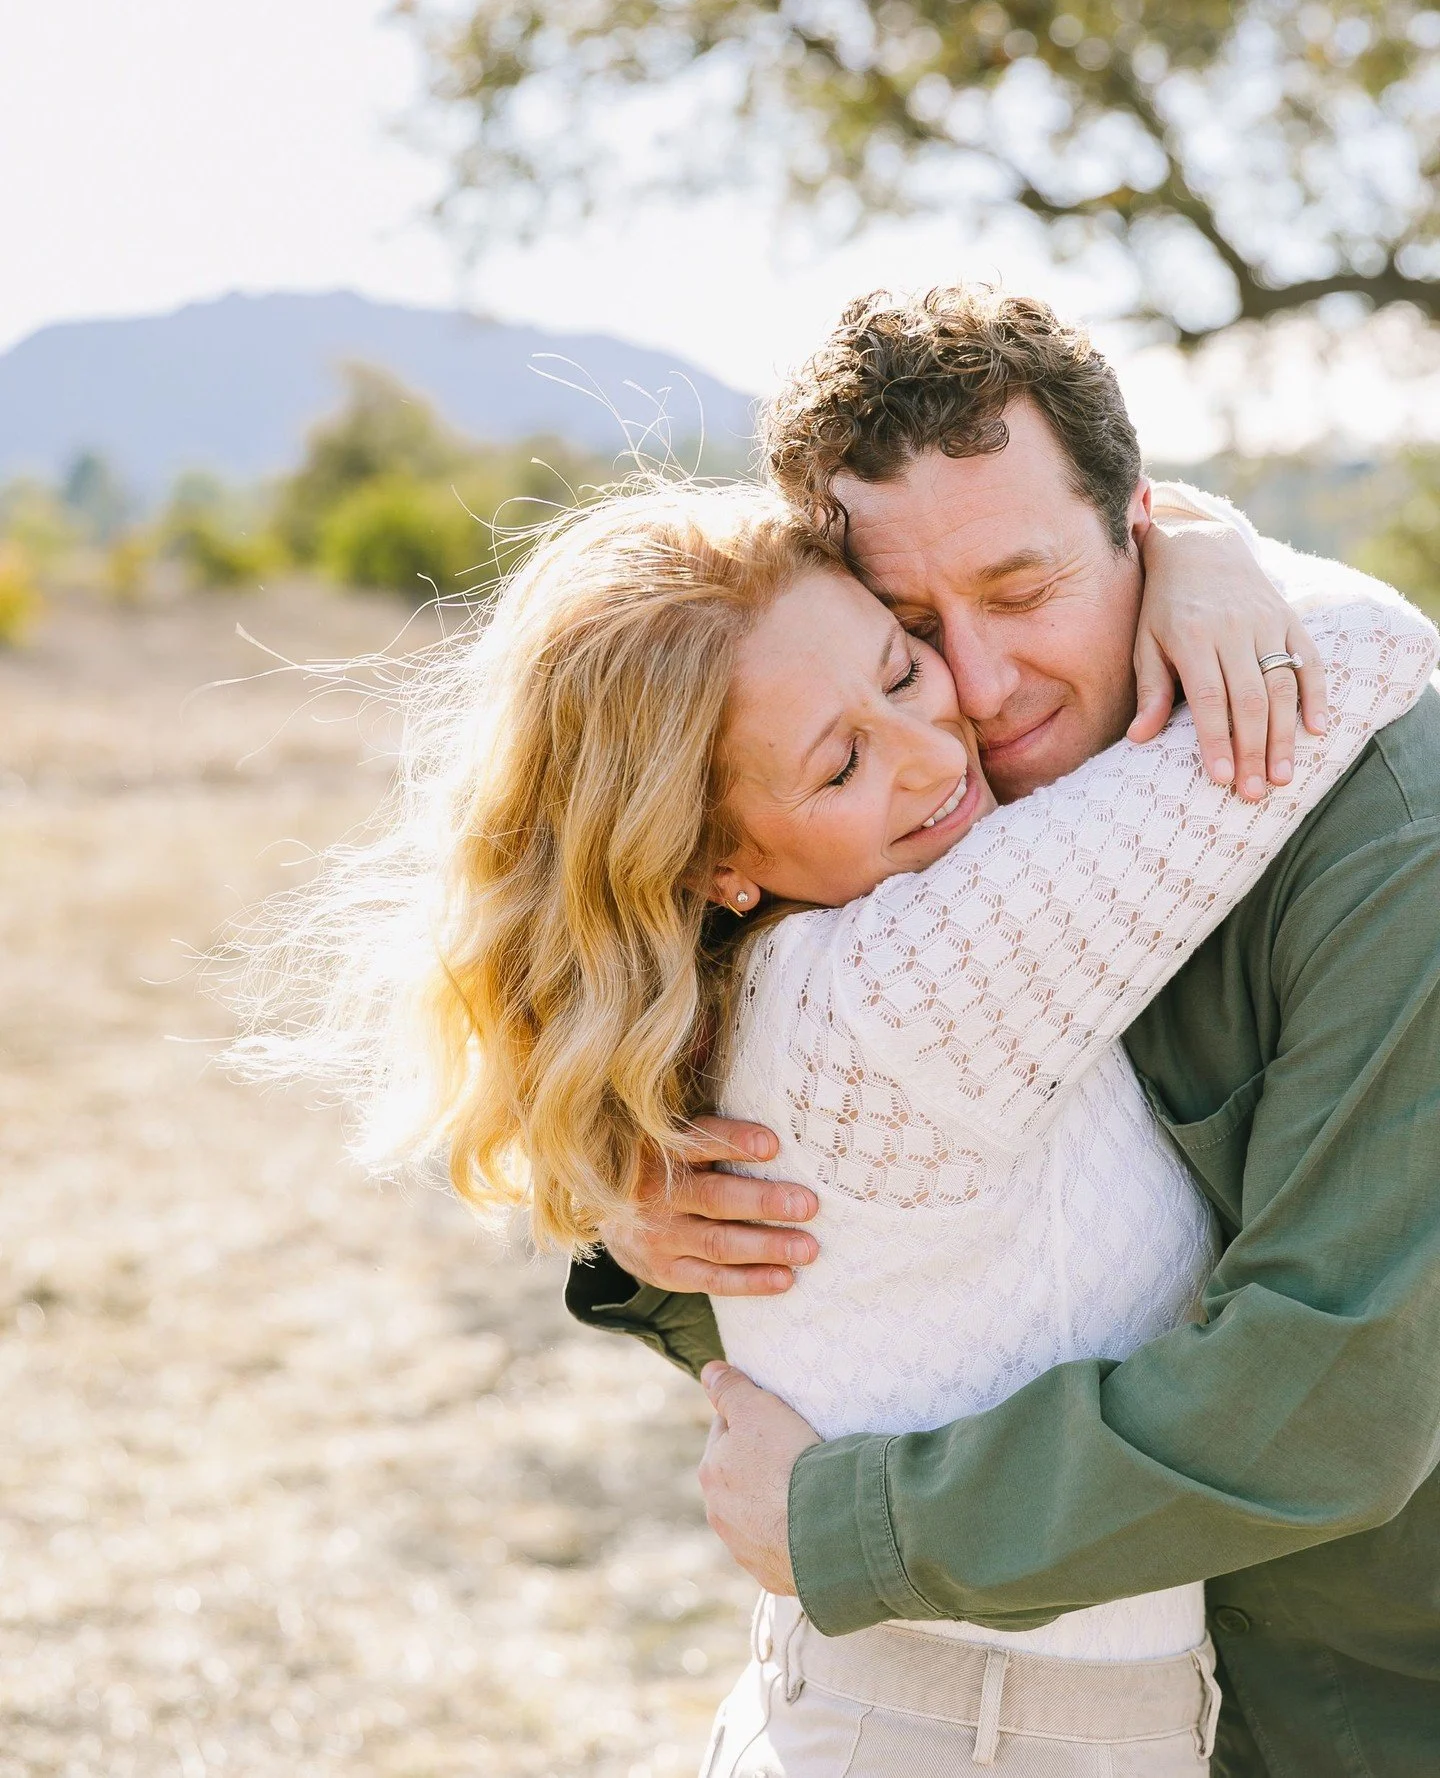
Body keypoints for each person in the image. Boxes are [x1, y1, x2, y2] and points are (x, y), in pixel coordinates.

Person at [228, 441, 1432, 1771]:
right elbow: (1366, 650)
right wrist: (1197, 550)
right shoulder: (917, 973)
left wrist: (1174, 535)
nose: (943, 739)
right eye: (839, 764)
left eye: (901, 667)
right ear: (719, 859)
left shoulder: (752, 980)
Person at [563, 290, 1440, 1778]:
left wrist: (856, 1523)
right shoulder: (905, 838)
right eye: (908, 632)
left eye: (1024, 591)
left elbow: (1341, 1390)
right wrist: (641, 1211)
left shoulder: (1386, 840)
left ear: (1137, 528)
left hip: (1361, 1702)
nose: (973, 691)